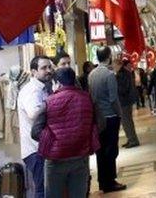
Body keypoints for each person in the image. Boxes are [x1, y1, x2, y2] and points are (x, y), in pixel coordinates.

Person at [31, 67, 99, 198]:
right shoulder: (87, 98)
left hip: (56, 160)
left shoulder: (49, 102)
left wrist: (53, 142)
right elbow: (99, 124)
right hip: (81, 156)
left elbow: (35, 132)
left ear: (58, 83)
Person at [89, 46, 127, 193]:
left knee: (101, 150)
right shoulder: (110, 75)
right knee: (111, 150)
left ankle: (102, 181)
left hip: (98, 117)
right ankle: (110, 181)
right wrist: (119, 114)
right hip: (110, 117)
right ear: (109, 56)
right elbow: (113, 98)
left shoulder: (92, 74)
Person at [18, 56, 54, 198]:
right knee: (42, 189)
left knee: (47, 188)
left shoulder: (44, 88)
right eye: (43, 68)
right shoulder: (31, 91)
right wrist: (49, 103)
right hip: (35, 149)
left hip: (42, 147)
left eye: (49, 67)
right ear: (33, 71)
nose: (48, 71)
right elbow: (33, 113)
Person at [116, 58, 140, 148]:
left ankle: (132, 140)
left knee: (127, 122)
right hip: (125, 101)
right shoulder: (124, 73)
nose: (113, 67)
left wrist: (115, 88)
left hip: (124, 101)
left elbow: (123, 88)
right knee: (127, 122)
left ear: (118, 65)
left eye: (114, 65)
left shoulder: (122, 74)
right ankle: (131, 139)